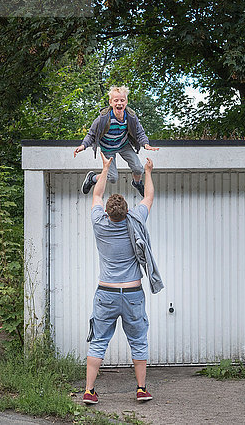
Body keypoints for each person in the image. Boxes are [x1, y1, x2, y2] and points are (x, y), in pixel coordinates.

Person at [83, 151, 158, 405]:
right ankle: (141, 389)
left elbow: (96, 194)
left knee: (99, 341)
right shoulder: (136, 220)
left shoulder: (99, 222)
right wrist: (146, 172)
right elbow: (148, 196)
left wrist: (105, 168)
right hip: (133, 293)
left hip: (106, 292)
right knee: (138, 340)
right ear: (127, 211)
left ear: (107, 212)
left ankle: (89, 391)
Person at [74, 85, 159, 197]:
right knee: (112, 178)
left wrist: (146, 144)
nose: (119, 103)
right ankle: (92, 178)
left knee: (139, 169)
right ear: (111, 102)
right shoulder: (103, 118)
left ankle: (137, 183)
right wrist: (83, 146)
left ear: (126, 102)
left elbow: (139, 132)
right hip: (107, 148)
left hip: (123, 145)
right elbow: (91, 134)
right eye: (116, 100)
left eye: (122, 100)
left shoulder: (130, 116)